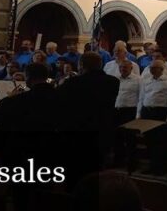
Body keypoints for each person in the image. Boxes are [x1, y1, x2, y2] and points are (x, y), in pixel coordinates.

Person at [56, 51, 120, 182]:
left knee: (76, 172)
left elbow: (59, 103)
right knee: (98, 170)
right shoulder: (113, 82)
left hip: (78, 133)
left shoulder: (73, 83)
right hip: (102, 132)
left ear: (81, 65)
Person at [138, 61, 167, 175]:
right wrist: (138, 114)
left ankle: (163, 167)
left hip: (161, 112)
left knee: (162, 141)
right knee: (149, 140)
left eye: (155, 68)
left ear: (161, 69)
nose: (151, 70)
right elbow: (141, 97)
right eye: (150, 68)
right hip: (147, 111)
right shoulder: (146, 81)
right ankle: (152, 166)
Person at [113, 61, 142, 169]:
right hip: (117, 111)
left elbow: (141, 96)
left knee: (130, 139)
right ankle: (118, 162)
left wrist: (138, 114)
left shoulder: (138, 79)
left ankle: (132, 163)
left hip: (130, 111)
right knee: (117, 138)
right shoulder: (115, 79)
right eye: (121, 67)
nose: (123, 69)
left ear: (131, 68)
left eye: (125, 67)